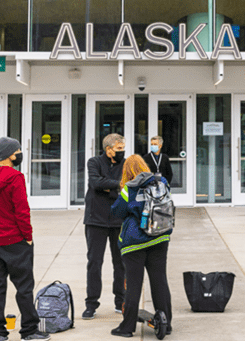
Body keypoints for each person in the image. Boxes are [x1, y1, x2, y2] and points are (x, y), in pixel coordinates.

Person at [0, 137, 50, 341]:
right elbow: (22, 211)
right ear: (10, 154)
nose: (19, 154)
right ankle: (29, 330)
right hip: (16, 241)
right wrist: (28, 237)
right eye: (17, 151)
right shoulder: (16, 178)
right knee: (24, 288)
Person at [110, 154, 173, 338]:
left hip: (134, 244)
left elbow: (117, 211)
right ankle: (166, 324)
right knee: (160, 280)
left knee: (134, 285)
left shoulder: (128, 189)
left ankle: (127, 327)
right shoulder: (162, 182)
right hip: (160, 238)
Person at [82, 133, 126, 319]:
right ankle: (91, 304)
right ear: (109, 150)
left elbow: (130, 185)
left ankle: (120, 301)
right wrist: (118, 185)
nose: (122, 153)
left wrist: (108, 187)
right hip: (96, 221)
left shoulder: (125, 165)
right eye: (119, 149)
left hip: (119, 220)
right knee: (94, 263)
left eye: (123, 149)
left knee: (121, 263)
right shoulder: (94, 162)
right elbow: (95, 182)